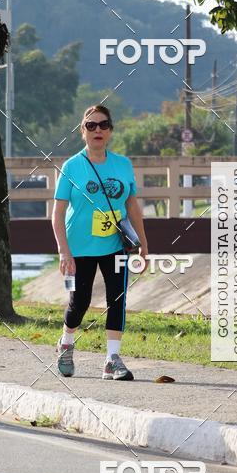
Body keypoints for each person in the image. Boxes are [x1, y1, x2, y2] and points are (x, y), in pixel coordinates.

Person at [52, 104, 148, 380]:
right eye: (91, 125)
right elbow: (57, 214)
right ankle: (66, 343)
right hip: (79, 248)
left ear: (110, 130)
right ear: (82, 131)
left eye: (103, 125)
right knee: (79, 302)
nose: (97, 130)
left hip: (115, 246)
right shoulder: (72, 166)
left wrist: (143, 245)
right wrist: (64, 251)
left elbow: (132, 206)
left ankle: (112, 360)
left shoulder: (123, 164)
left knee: (117, 299)